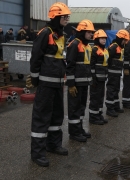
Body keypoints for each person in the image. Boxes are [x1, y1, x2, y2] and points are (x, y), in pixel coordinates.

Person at [29, 2, 71, 167]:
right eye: (64, 17)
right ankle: (37, 153)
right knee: (41, 117)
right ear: (56, 17)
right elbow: (36, 57)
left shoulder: (61, 35)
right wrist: (34, 78)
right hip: (46, 84)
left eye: (67, 16)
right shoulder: (45, 33)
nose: (67, 19)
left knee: (56, 116)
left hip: (58, 84)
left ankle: (53, 145)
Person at [65, 19, 94, 142]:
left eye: (92, 33)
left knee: (81, 107)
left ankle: (79, 129)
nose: (91, 35)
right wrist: (71, 84)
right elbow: (70, 65)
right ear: (82, 32)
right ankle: (74, 133)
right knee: (74, 108)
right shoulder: (75, 44)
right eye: (89, 32)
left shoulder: (87, 46)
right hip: (76, 84)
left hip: (84, 83)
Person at [106, 29, 130, 117]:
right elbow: (108, 59)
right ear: (120, 39)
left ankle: (115, 106)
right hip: (112, 73)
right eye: (124, 40)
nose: (125, 42)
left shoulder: (119, 47)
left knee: (116, 90)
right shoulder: (114, 47)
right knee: (111, 91)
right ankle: (110, 108)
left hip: (117, 73)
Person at [89, 29, 109, 125]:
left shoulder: (104, 50)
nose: (104, 40)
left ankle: (99, 114)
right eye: (101, 38)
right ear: (96, 39)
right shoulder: (95, 50)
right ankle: (93, 117)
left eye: (105, 38)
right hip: (96, 79)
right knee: (95, 98)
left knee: (100, 97)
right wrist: (93, 78)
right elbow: (91, 65)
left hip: (102, 78)